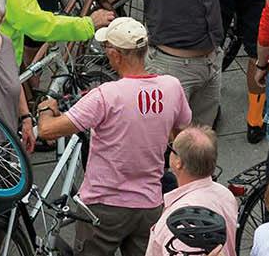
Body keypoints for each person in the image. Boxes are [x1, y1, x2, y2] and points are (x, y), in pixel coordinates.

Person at [33, 16, 190, 253]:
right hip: (149, 204)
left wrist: (45, 108)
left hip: (103, 206)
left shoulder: (106, 95)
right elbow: (180, 135)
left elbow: (47, 130)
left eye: (107, 48)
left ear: (116, 55)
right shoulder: (171, 87)